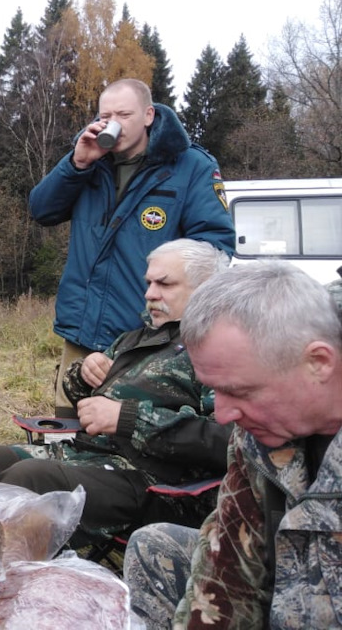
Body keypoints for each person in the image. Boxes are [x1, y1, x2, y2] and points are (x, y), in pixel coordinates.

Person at [0, 239, 232, 542]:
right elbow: (85, 402)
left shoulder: (217, 350)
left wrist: (129, 419)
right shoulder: (136, 339)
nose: (149, 294)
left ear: (205, 289)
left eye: (164, 284)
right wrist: (84, 373)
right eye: (148, 283)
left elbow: (225, 440)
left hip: (153, 481)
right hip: (88, 455)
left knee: (29, 479)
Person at [123, 262, 342, 629]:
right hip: (289, 590)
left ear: (318, 363)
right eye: (214, 390)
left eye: (238, 391)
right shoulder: (257, 432)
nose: (222, 415)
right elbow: (227, 571)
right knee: (156, 544)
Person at [29, 78, 235, 416]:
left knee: (126, 434)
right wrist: (77, 164)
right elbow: (42, 210)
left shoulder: (190, 166)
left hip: (148, 340)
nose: (113, 122)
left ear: (149, 115)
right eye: (105, 114)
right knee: (69, 429)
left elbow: (215, 246)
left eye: (124, 114)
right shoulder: (89, 162)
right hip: (84, 332)